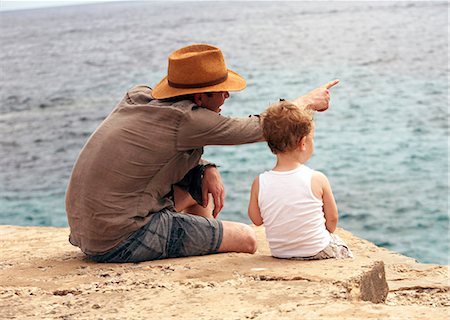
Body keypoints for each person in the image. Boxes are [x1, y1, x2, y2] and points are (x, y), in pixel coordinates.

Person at [66, 43, 337, 262]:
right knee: (247, 239)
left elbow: (158, 147)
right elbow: (260, 128)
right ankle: (209, 240)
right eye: (221, 92)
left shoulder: (139, 99)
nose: (227, 98)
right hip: (121, 238)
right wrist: (306, 102)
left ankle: (204, 237)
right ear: (199, 98)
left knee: (200, 194)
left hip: (89, 231)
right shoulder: (188, 121)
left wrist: (206, 167)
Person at [248, 100, 353, 260]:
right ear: (303, 143)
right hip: (318, 251)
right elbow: (332, 221)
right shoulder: (317, 178)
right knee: (342, 248)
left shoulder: (259, 182)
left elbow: (256, 219)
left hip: (280, 254)